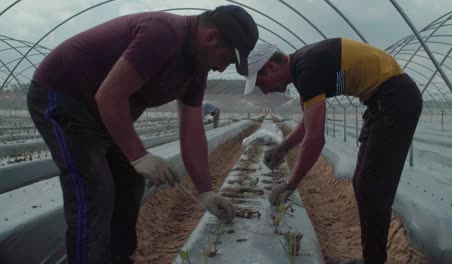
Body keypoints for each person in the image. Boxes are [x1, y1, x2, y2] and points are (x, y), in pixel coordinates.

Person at [27, 6, 258, 264]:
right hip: (63, 96)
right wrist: (138, 155)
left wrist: (205, 191)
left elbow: (193, 132)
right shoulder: (163, 34)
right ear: (211, 37)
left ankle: (119, 258)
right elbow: (109, 96)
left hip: (101, 110)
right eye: (225, 58)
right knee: (94, 190)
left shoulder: (197, 69)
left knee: (130, 180)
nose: (220, 67)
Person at [243, 39, 422, 264]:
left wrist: (291, 184)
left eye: (262, 82)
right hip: (381, 102)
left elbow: (315, 139)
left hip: (395, 99)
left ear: (270, 67)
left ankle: (374, 260)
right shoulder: (303, 68)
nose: (265, 89)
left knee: (371, 186)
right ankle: (372, 258)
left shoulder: (307, 69)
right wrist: (284, 147)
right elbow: (306, 125)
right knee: (362, 182)